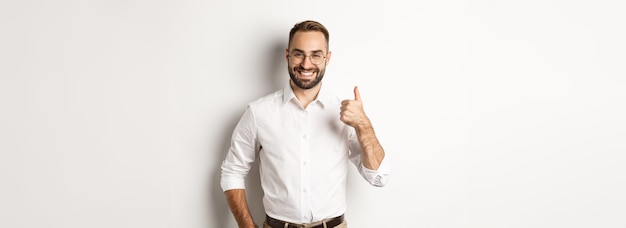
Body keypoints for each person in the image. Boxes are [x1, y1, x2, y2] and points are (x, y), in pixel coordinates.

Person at [220, 20, 391, 228]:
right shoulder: (259, 113)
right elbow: (232, 171)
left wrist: (363, 125)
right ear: (287, 55)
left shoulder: (346, 114)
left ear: (327, 58)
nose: (306, 64)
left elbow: (379, 178)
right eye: (299, 54)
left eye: (316, 55)